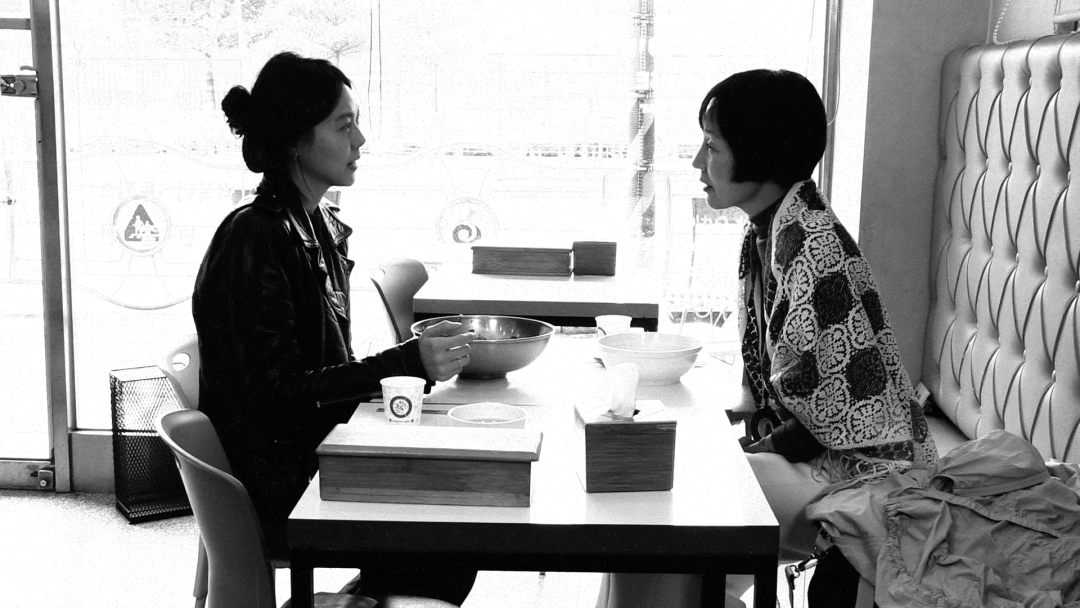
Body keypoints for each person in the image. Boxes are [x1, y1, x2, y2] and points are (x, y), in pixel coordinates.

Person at [595, 69, 937, 608]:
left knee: (669, 502)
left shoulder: (814, 247)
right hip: (822, 458)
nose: (697, 163)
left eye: (712, 146)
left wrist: (738, 450)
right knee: (652, 506)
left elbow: (824, 423)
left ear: (759, 152)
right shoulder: (773, 227)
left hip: (866, 474)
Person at [192, 51, 477, 605]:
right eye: (344, 126)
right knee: (450, 530)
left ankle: (358, 599)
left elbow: (321, 373)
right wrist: (407, 362)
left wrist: (410, 359)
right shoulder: (256, 239)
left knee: (455, 518)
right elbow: (276, 398)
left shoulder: (315, 222)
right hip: (281, 484)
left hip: (314, 453)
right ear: (296, 140)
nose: (361, 140)